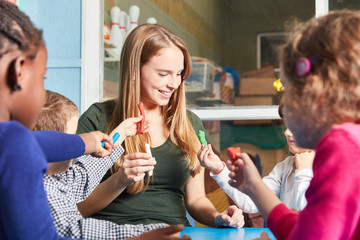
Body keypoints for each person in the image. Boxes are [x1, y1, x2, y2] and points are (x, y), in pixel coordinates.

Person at [76, 23, 244, 228]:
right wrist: (119, 180)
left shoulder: (190, 124)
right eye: (163, 74)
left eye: (179, 73)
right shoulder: (98, 119)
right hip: (112, 233)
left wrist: (218, 217)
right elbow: (76, 207)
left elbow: (196, 200)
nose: (174, 84)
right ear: (134, 70)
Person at [228, 10, 360, 240]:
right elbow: (307, 228)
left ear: (314, 92)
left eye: (287, 91)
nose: (284, 105)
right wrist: (253, 186)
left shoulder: (342, 145)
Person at [0, 2, 118, 239]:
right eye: (41, 78)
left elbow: (37, 143)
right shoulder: (14, 143)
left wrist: (85, 142)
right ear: (19, 72)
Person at [35, 90, 191, 240]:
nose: (80, 141)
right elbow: (76, 231)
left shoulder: (58, 176)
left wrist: (120, 134)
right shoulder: (42, 191)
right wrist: (139, 234)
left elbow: (86, 172)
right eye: (73, 138)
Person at [197, 104, 315, 214]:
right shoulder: (286, 166)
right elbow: (251, 202)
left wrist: (304, 173)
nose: (287, 132)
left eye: (296, 126)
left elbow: (311, 219)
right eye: (287, 125)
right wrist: (219, 168)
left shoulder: (330, 168)